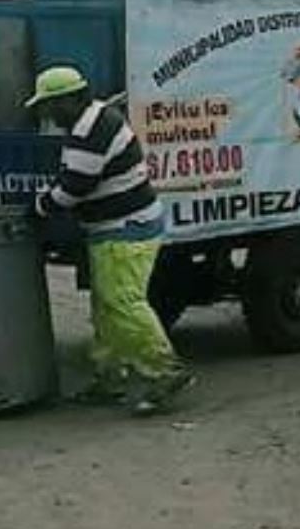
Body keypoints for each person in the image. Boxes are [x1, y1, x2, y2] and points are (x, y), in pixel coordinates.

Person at [24, 64, 192, 416]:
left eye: (50, 105)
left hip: (124, 229)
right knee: (107, 308)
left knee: (122, 304)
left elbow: (74, 187)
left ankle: (165, 371)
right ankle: (110, 377)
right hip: (120, 226)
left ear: (69, 100)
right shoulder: (95, 118)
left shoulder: (90, 130)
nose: (47, 114)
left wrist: (38, 208)